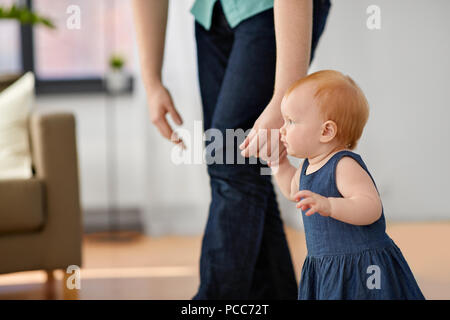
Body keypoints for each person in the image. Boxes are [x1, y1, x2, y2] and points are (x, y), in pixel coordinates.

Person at [132, 0, 331, 299]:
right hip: (212, 15)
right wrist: (151, 82)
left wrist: (283, 100)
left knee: (231, 162)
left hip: (275, 11)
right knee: (240, 165)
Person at [267, 70, 425, 299]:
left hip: (360, 267)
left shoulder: (343, 165)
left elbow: (370, 207)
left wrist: (330, 206)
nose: (282, 129)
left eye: (291, 121)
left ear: (326, 131)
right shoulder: (306, 165)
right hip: (326, 265)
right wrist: (279, 164)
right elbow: (293, 191)